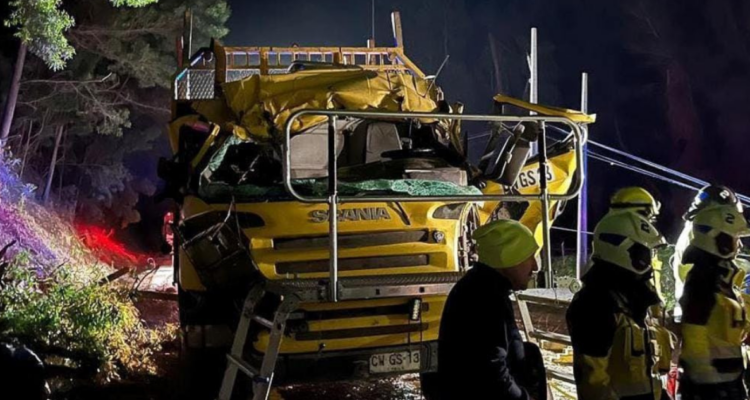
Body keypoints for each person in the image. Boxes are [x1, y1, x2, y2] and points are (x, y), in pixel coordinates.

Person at [438, 219, 545, 400]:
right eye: (529, 257)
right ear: (508, 258)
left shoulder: (481, 286)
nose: (534, 267)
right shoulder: (486, 299)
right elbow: (492, 371)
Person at [567, 209, 668, 400]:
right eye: (645, 252)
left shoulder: (635, 296)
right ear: (623, 249)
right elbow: (594, 383)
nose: (650, 261)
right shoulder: (596, 303)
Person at [678, 201, 750, 400]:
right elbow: (694, 335)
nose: (740, 244)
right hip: (711, 387)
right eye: (735, 238)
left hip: (728, 380)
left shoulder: (722, 280)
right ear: (720, 239)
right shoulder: (702, 279)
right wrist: (707, 379)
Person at [672, 185, 741, 323]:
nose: (738, 245)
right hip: (705, 314)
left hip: (693, 310)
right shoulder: (704, 233)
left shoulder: (694, 230)